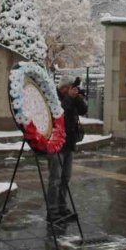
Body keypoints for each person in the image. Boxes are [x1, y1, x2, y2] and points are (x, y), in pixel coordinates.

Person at [47, 76, 88, 222]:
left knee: (65, 178)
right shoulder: (53, 97)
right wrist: (70, 98)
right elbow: (60, 113)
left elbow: (83, 110)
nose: (74, 90)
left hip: (69, 144)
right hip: (56, 144)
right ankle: (52, 211)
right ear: (64, 88)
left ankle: (62, 207)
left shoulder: (71, 97)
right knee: (55, 179)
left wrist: (78, 98)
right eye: (71, 87)